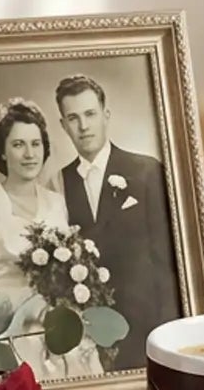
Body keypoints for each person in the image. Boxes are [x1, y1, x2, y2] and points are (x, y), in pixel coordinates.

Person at [0, 97, 101, 378]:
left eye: (35, 144)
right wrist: (18, 307)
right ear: (1, 153)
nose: (29, 154)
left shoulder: (56, 202)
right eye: (18, 145)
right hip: (13, 332)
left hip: (63, 327)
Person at [55, 73, 181, 370]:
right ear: (63, 125)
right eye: (73, 118)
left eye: (90, 114)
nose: (83, 126)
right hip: (90, 334)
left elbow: (166, 259)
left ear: (105, 115)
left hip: (148, 326)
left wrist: (169, 331)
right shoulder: (58, 184)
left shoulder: (147, 171)